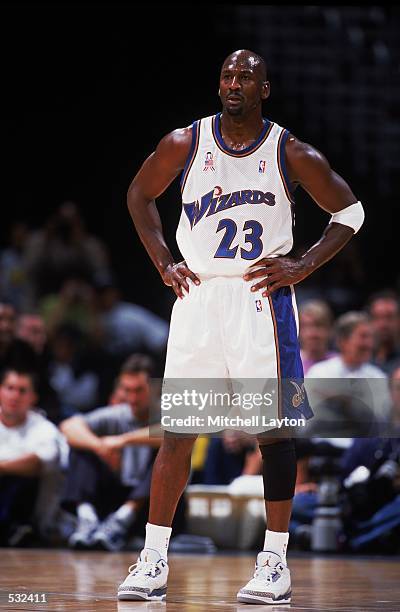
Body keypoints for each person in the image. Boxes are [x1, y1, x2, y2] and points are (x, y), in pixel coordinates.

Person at [118, 49, 364, 604]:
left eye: (246, 76)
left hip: (260, 300)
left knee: (272, 434)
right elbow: (139, 195)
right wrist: (162, 260)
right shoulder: (185, 141)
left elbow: (350, 213)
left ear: (265, 89)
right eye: (228, 75)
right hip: (199, 296)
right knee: (178, 433)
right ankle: (154, 556)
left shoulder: (289, 150)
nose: (234, 82)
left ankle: (274, 564)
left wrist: (302, 265)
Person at [59, 354, 166, 552]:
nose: (132, 398)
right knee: (81, 447)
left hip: (148, 509)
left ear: (155, 388)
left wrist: (122, 441)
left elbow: (176, 433)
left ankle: (122, 520)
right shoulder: (117, 414)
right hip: (113, 499)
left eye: (139, 390)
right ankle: (87, 518)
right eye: (127, 390)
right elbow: (69, 426)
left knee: (169, 456)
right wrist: (99, 446)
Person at [0, 368, 65, 545]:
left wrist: (3, 467)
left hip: (27, 511)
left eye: (22, 390)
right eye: (9, 388)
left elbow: (39, 462)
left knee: (18, 478)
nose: (15, 395)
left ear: (33, 397)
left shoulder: (44, 428)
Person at [299, 299, 336, 374]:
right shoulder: (290, 364)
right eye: (306, 326)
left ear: (330, 329)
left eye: (318, 325)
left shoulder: (339, 363)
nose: (312, 334)